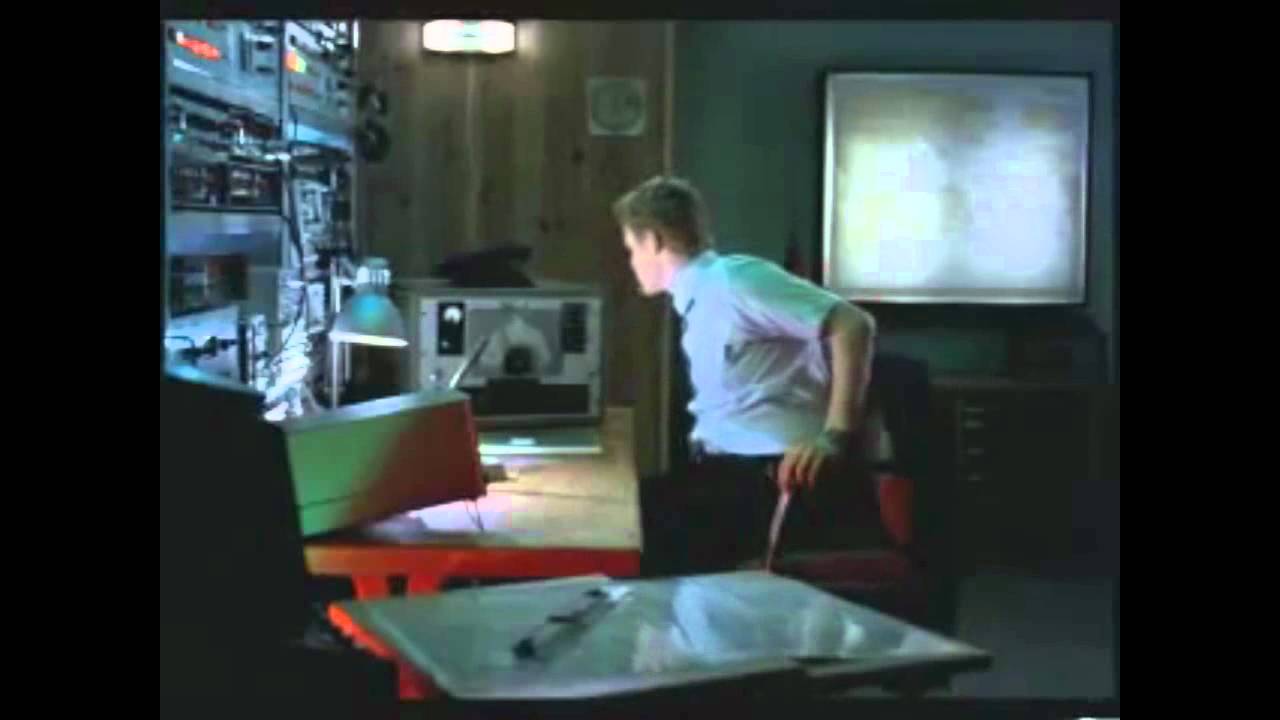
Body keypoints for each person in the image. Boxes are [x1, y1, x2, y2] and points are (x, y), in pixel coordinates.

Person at [614, 175, 891, 576]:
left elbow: (854, 324)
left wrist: (835, 434)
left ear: (654, 241)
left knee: (636, 537)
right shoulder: (699, 300)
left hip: (772, 479)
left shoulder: (733, 282)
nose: (631, 262)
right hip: (725, 473)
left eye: (631, 249)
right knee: (628, 514)